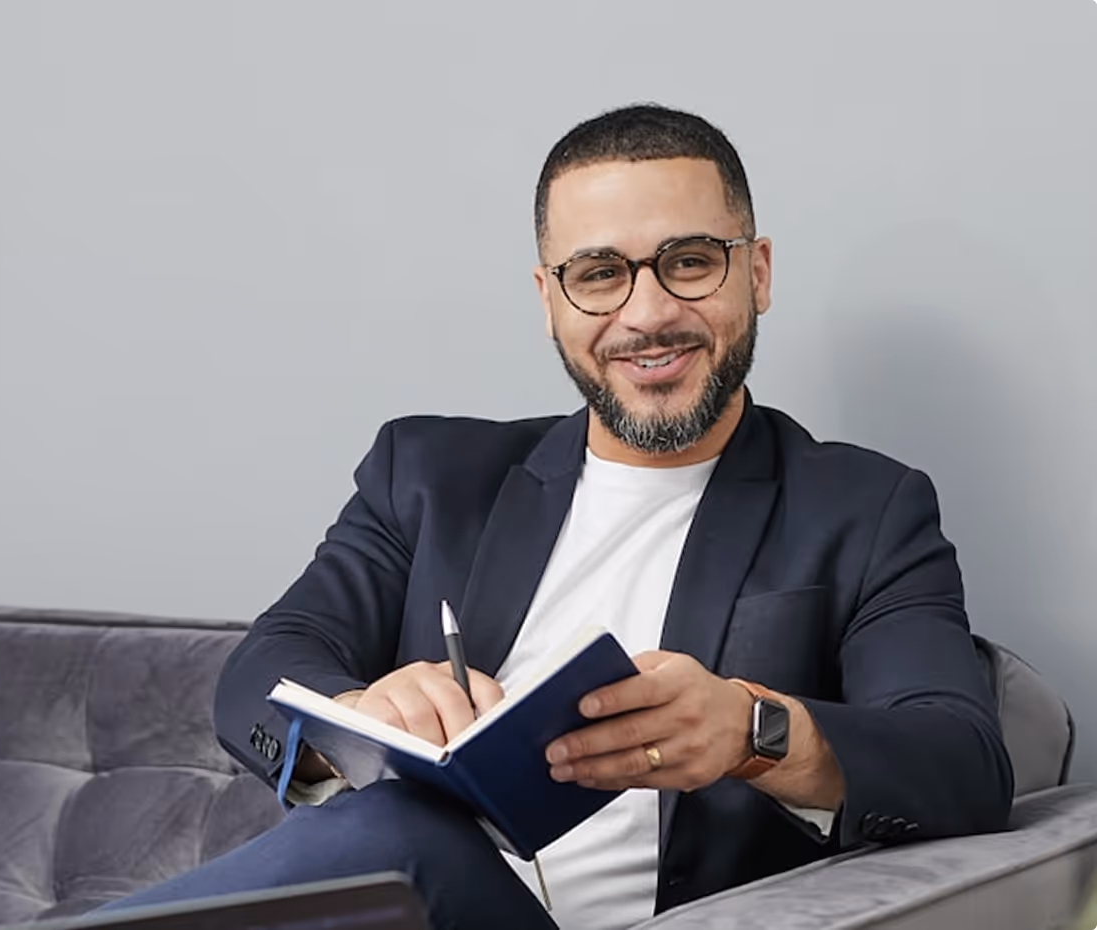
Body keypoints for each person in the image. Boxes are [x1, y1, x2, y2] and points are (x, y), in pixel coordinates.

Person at [98, 104, 1013, 929]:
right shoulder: (427, 473)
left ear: (757, 274)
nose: (648, 314)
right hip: (399, 906)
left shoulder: (865, 508)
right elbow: (261, 672)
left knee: (392, 835)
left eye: (690, 263)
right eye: (600, 274)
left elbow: (962, 761)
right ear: (549, 301)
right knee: (383, 825)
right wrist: (359, 712)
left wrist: (750, 730)